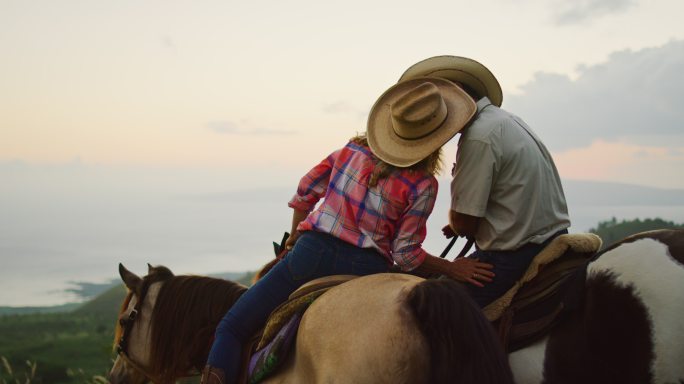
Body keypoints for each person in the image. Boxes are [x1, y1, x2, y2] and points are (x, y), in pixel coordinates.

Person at [201, 77, 496, 384]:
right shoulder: (423, 185)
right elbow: (406, 256)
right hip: (367, 271)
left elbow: (305, 193)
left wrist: (291, 240)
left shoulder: (350, 151)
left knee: (231, 328)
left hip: (309, 258)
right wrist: (451, 268)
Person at [399, 56, 572, 308]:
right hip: (549, 237)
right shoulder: (505, 119)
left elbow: (465, 222)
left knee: (431, 309)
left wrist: (459, 224)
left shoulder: (478, 137)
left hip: (513, 255)